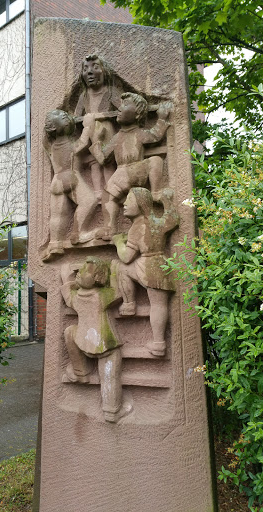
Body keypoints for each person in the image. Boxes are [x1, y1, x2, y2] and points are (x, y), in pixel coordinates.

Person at [88, 92, 171, 240]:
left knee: (109, 196)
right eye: (120, 105)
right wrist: (97, 140)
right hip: (125, 172)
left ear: (138, 114)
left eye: (125, 105)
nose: (120, 108)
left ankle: (110, 227)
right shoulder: (117, 137)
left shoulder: (138, 133)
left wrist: (163, 118)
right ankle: (110, 227)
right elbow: (102, 158)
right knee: (155, 160)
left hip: (130, 170)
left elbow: (155, 136)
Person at [60, 257, 129, 423]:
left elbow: (67, 294)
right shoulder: (101, 295)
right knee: (110, 377)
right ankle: (112, 412)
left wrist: (65, 278)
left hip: (83, 344)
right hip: (106, 348)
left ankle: (80, 372)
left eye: (84, 271)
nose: (79, 272)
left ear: (97, 278)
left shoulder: (76, 296)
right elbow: (118, 292)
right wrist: (114, 269)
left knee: (70, 331)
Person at [112, 187, 179, 357]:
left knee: (120, 266)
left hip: (147, 266)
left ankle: (129, 304)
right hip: (162, 265)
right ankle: (159, 344)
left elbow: (126, 257)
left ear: (141, 204)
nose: (125, 204)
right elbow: (173, 219)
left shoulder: (137, 227)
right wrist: (167, 200)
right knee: (159, 305)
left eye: (129, 200)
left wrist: (119, 242)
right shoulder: (156, 221)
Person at [42, 109, 97, 260]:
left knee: (58, 215)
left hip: (56, 183)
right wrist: (88, 126)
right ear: (53, 128)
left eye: (65, 114)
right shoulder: (68, 143)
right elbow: (82, 143)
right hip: (71, 178)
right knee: (89, 201)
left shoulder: (51, 146)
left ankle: (55, 244)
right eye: (60, 117)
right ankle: (78, 232)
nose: (65, 116)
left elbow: (44, 140)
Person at [74, 54, 122, 201]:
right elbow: (76, 116)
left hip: (106, 130)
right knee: (94, 163)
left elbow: (123, 110)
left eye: (95, 67)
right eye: (85, 68)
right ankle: (97, 192)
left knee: (106, 161)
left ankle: (110, 189)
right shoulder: (84, 96)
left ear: (104, 71)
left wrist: (100, 115)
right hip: (89, 131)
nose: (90, 72)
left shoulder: (111, 91)